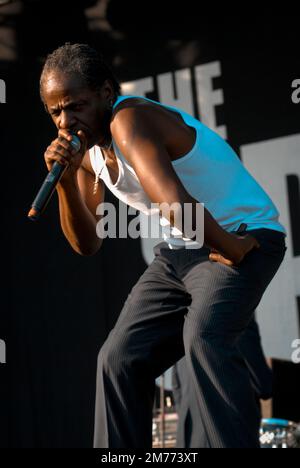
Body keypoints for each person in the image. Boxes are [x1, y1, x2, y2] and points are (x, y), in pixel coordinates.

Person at [40, 43, 287, 448]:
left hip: (242, 232)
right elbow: (88, 244)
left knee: (204, 336)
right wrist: (66, 180)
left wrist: (235, 248)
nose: (67, 121)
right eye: (56, 112)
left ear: (105, 92)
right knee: (117, 360)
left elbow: (171, 202)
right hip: (186, 249)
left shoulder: (128, 118)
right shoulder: (86, 153)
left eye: (76, 106)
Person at [172, 319, 273, 448]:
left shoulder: (183, 327)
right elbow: (263, 386)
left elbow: (177, 386)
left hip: (188, 436)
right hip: (229, 434)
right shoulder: (238, 317)